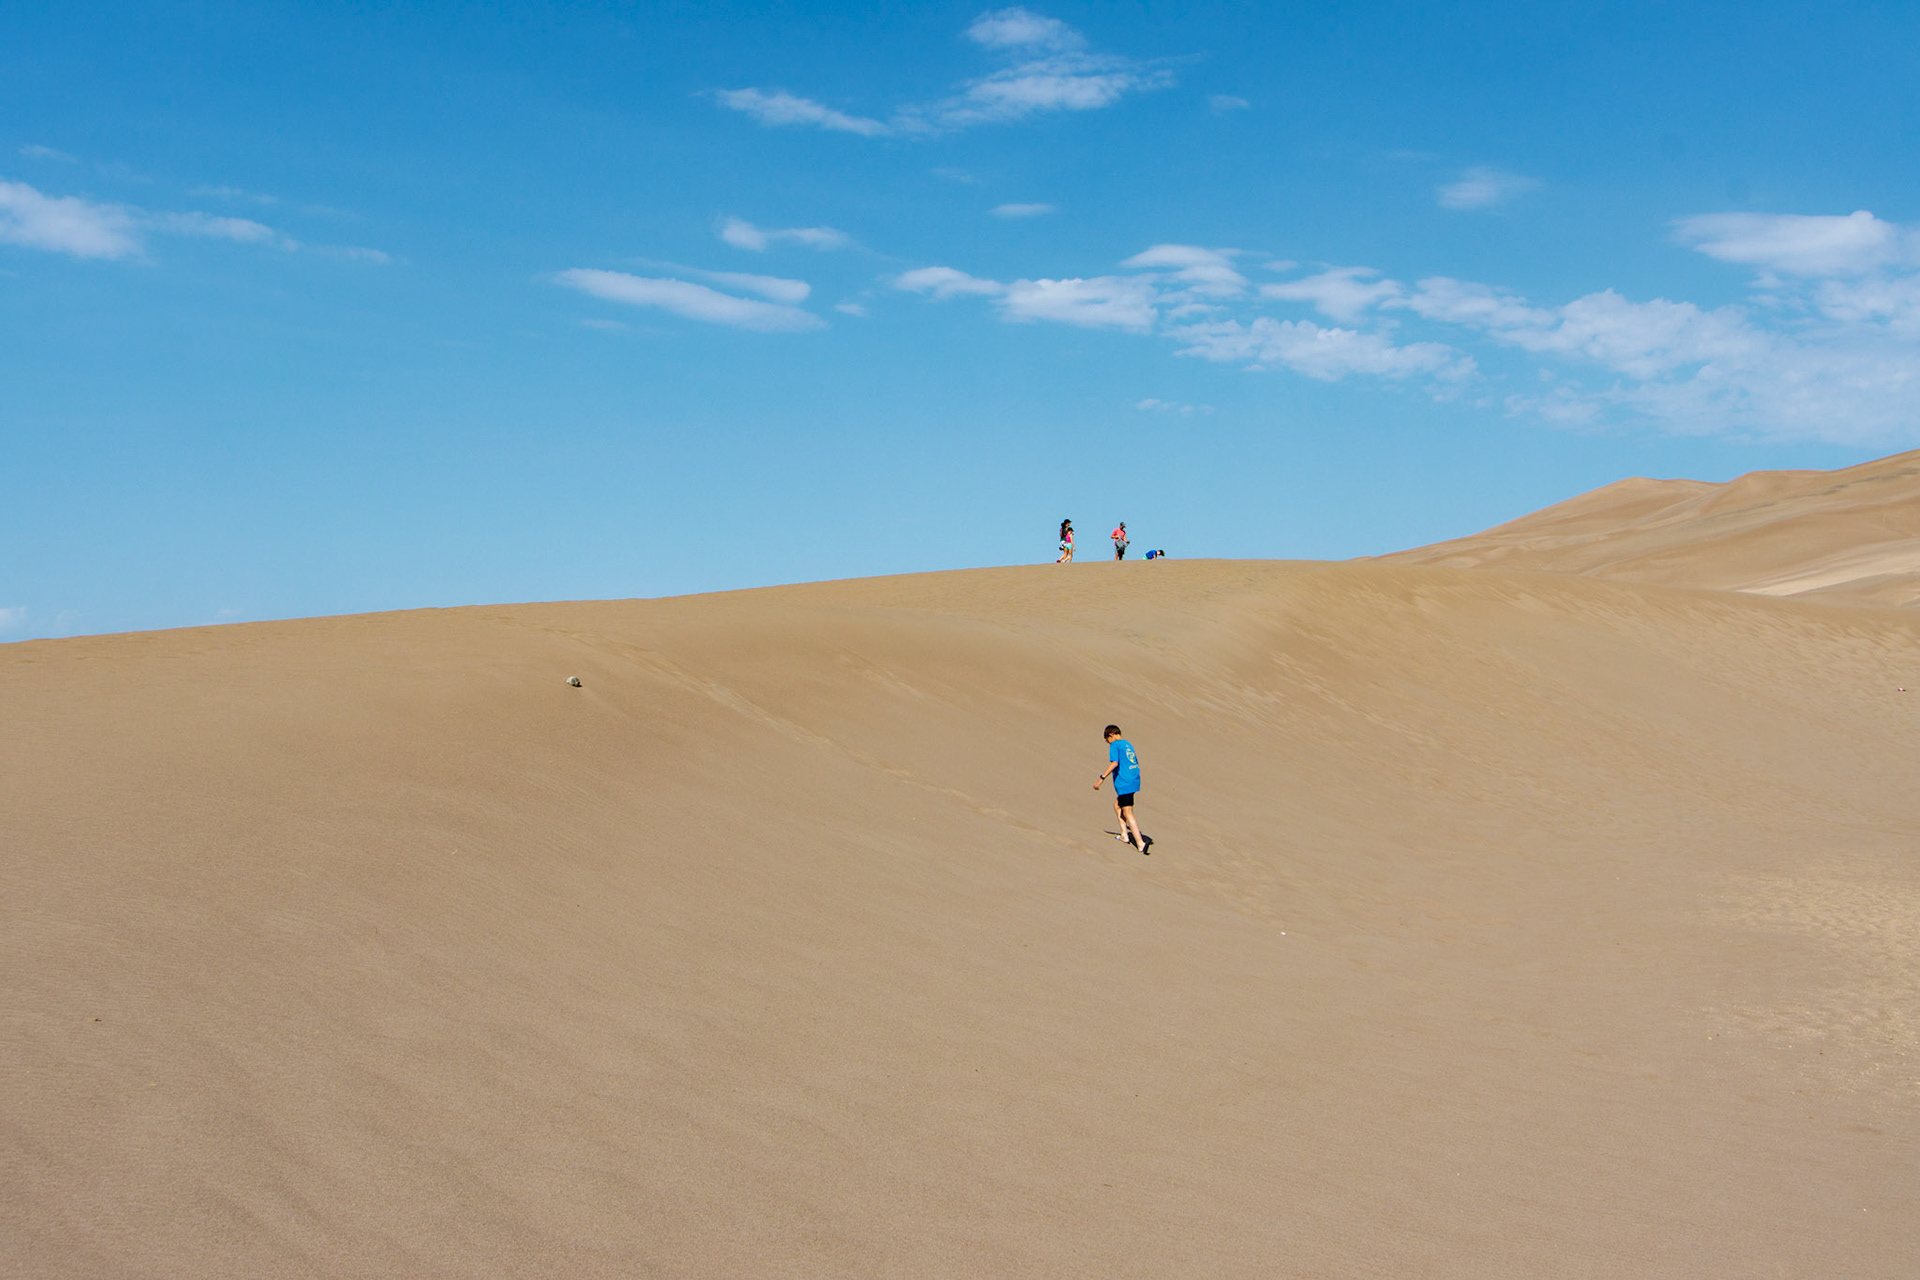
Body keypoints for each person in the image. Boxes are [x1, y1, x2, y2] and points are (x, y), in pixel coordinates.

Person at [1094, 723, 1151, 854]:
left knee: (1128, 812)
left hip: (1125, 782)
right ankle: (1124, 835)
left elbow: (1114, 763)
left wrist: (1101, 778)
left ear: (1111, 735)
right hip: (1133, 780)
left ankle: (1140, 843)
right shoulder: (1127, 744)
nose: (1108, 743)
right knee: (1117, 805)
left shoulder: (1115, 745)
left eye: (1107, 740)